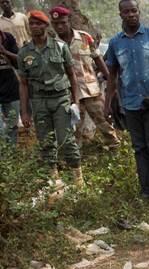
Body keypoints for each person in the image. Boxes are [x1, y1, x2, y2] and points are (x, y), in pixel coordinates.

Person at [105, 0, 149, 207]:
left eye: (134, 10)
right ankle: (145, 191)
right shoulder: (115, 43)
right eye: (126, 12)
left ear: (139, 12)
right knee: (139, 147)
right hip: (130, 103)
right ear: (120, 15)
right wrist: (107, 103)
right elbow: (112, 76)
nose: (131, 15)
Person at [18, 10, 83, 186]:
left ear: (46, 26)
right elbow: (23, 84)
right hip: (39, 101)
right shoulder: (24, 52)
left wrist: (75, 102)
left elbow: (72, 76)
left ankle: (78, 180)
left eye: (38, 23)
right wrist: (24, 112)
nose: (34, 27)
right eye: (31, 24)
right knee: (45, 142)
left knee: (66, 140)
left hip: (61, 99)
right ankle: (55, 182)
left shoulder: (60, 47)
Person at [50, 6, 119, 150]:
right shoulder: (52, 44)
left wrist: (111, 82)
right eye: (56, 24)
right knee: (74, 127)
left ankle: (114, 147)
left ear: (69, 21)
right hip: (69, 93)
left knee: (104, 121)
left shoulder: (84, 37)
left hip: (91, 89)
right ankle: (75, 158)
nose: (60, 26)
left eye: (63, 22)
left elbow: (98, 60)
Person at [0, 28, 19, 145]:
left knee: (13, 125)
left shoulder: (8, 38)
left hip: (11, 89)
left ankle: (11, 156)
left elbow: (19, 61)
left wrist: (4, 52)